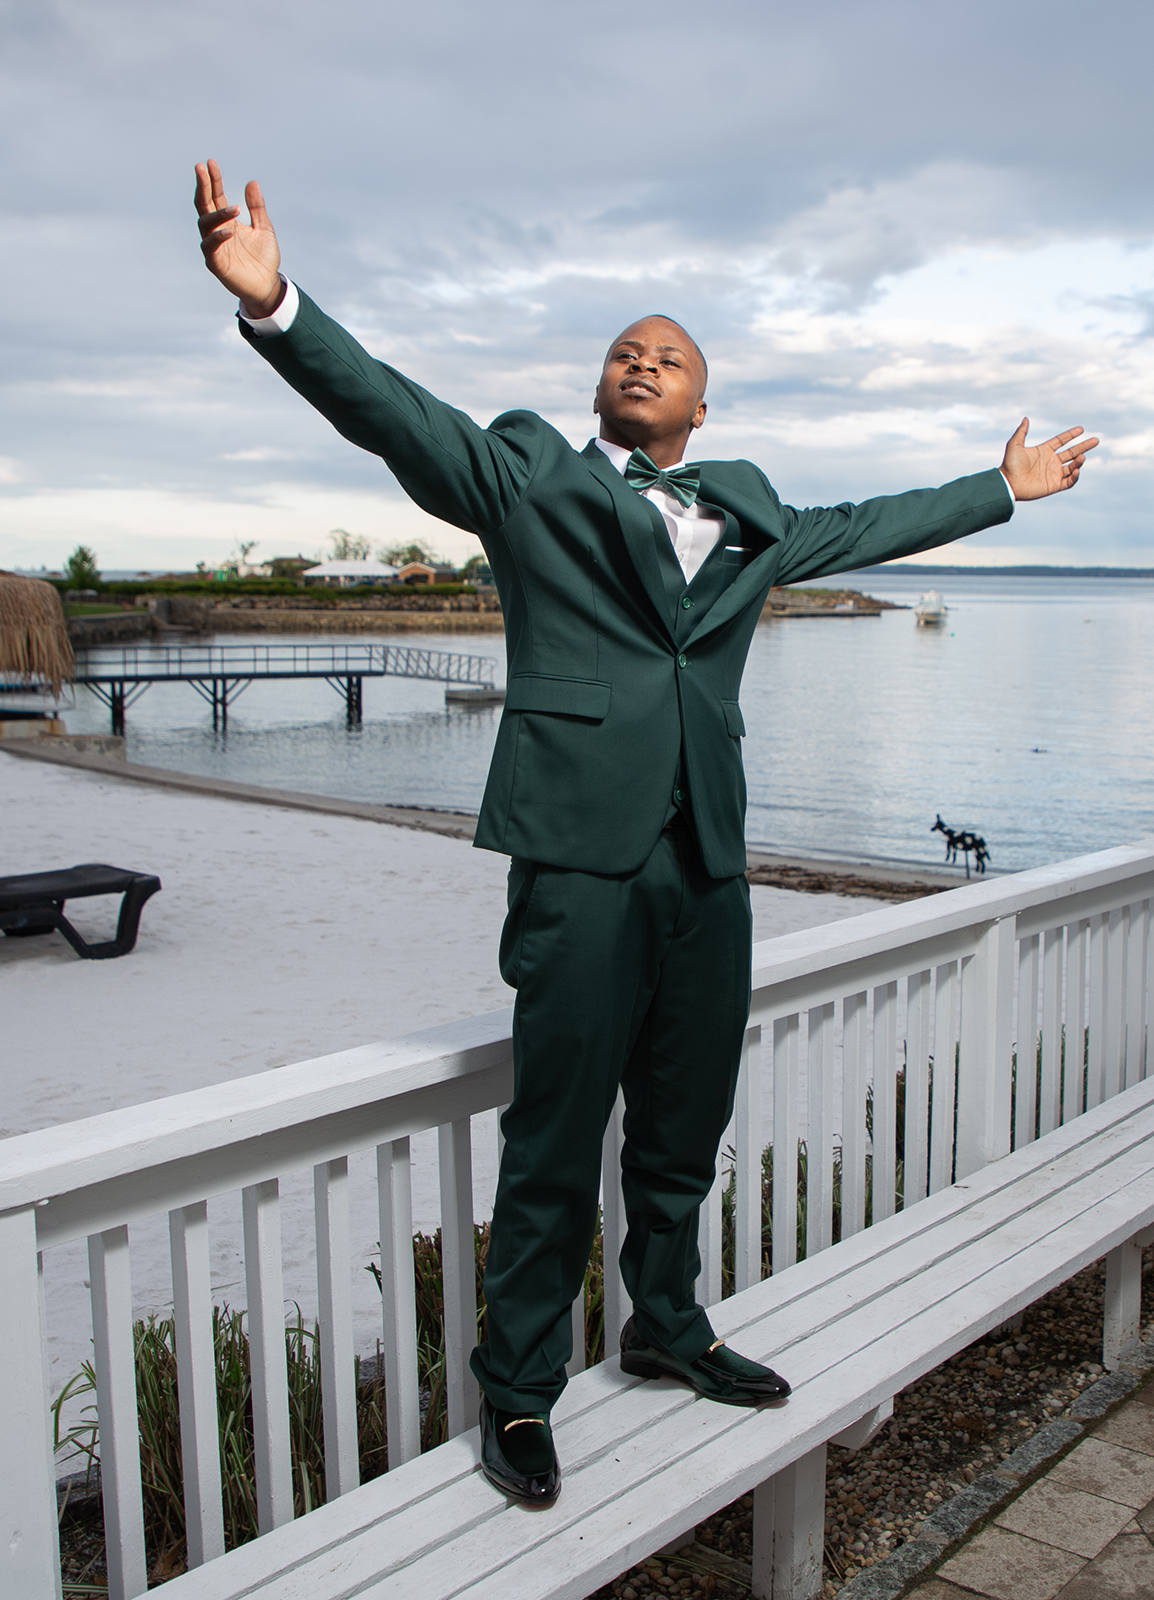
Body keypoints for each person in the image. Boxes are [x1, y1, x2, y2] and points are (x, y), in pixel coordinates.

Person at [193, 159, 1096, 1506]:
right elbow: (393, 414)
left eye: (668, 356)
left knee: (683, 1121)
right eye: (625, 350)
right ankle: (519, 1392)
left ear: (701, 401)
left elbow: (870, 524)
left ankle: (665, 1326)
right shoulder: (531, 481)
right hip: (580, 858)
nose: (642, 361)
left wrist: (1001, 488)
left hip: (707, 862)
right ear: (602, 388)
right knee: (557, 1134)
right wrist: (278, 307)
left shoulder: (747, 514)